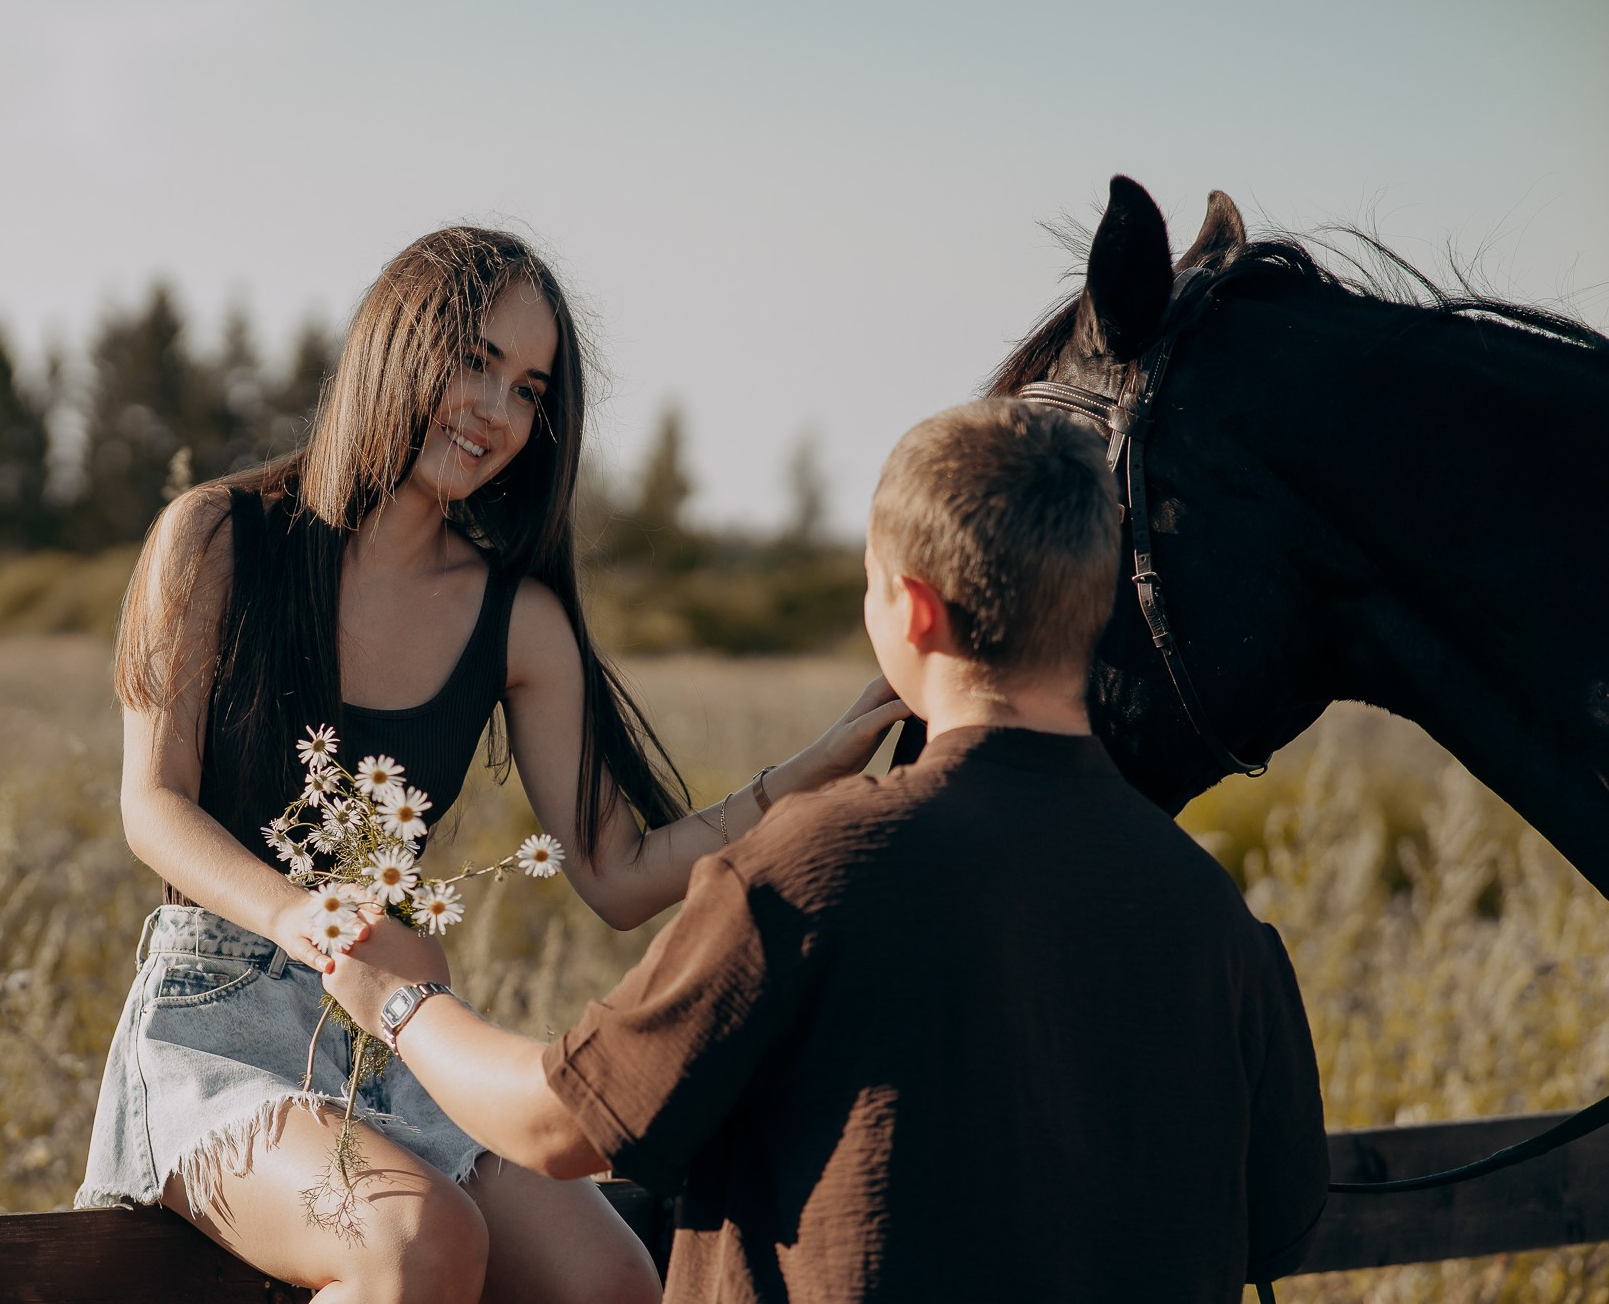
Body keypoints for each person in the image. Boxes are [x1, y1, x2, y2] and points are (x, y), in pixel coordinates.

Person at [324, 398, 1331, 1302]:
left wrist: (400, 1001)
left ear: (913, 608)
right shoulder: (1216, 916)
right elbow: (1277, 1225)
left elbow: (559, 1123)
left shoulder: (818, 865)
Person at [75, 226, 905, 1303]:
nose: (497, 413)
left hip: (387, 1034)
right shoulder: (216, 537)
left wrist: (808, 775)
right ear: (395, 341)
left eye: (527, 389)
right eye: (474, 361)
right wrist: (297, 915)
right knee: (420, 1242)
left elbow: (617, 873)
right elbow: (153, 805)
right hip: (215, 1022)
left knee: (610, 1277)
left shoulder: (516, 618)